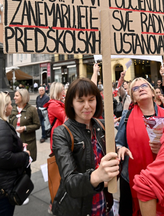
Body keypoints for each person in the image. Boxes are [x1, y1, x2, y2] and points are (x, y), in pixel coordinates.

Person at [51, 78, 119, 216]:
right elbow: (70, 182)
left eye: (91, 99)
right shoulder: (62, 133)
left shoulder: (102, 125)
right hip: (77, 208)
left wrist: (120, 150)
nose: (87, 106)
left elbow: (112, 164)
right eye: (81, 101)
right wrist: (97, 176)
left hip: (103, 204)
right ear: (71, 103)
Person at [115, 77, 164, 215]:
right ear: (133, 97)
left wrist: (163, 148)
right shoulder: (127, 116)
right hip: (131, 176)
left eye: (144, 85)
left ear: (152, 93)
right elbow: (118, 142)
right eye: (135, 88)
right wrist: (121, 148)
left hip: (162, 175)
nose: (140, 89)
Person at [9, 88, 40, 187]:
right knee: (16, 167)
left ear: (23, 97)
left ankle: (24, 189)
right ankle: (17, 188)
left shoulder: (31, 109)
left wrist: (25, 128)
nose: (14, 97)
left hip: (27, 142)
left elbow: (37, 125)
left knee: (26, 167)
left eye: (17, 96)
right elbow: (9, 123)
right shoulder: (13, 108)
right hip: (15, 142)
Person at [44, 82, 66, 154]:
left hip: (62, 134)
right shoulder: (53, 105)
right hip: (59, 136)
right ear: (57, 92)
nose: (64, 91)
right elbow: (66, 117)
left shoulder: (59, 103)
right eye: (62, 90)